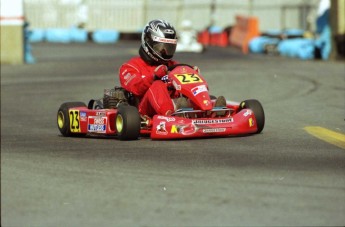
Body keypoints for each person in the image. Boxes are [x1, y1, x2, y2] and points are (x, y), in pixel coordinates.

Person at [118, 19, 225, 117]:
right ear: (148, 42)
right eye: (161, 48)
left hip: (177, 103)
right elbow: (135, 88)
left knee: (191, 85)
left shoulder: (173, 65)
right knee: (157, 85)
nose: (165, 53)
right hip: (144, 110)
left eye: (169, 48)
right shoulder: (130, 67)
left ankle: (209, 109)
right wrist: (154, 76)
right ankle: (172, 114)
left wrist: (191, 74)